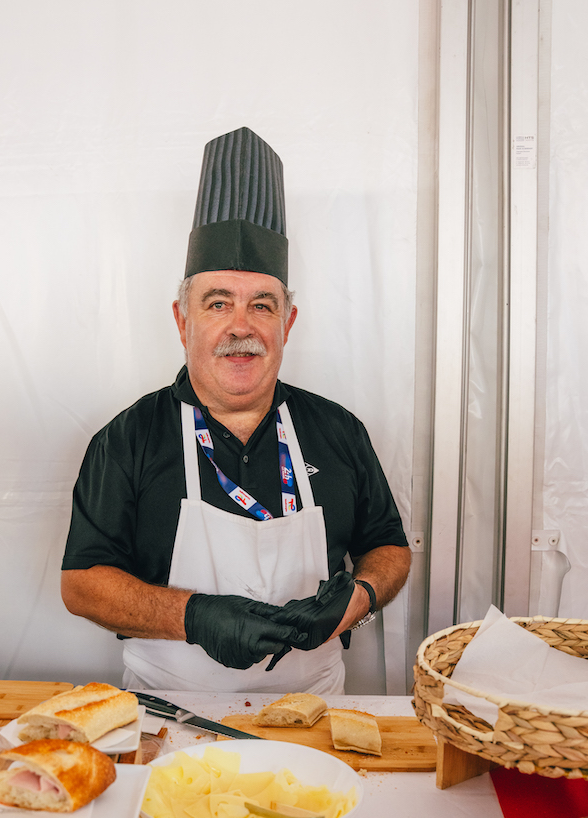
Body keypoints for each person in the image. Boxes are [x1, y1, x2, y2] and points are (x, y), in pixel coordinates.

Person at [61, 127, 411, 694]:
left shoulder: (338, 430)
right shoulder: (127, 438)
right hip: (166, 714)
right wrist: (193, 616)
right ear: (182, 320)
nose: (241, 326)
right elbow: (81, 583)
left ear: (287, 324)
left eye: (262, 305)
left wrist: (357, 599)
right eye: (217, 303)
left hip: (315, 715)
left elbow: (389, 548)